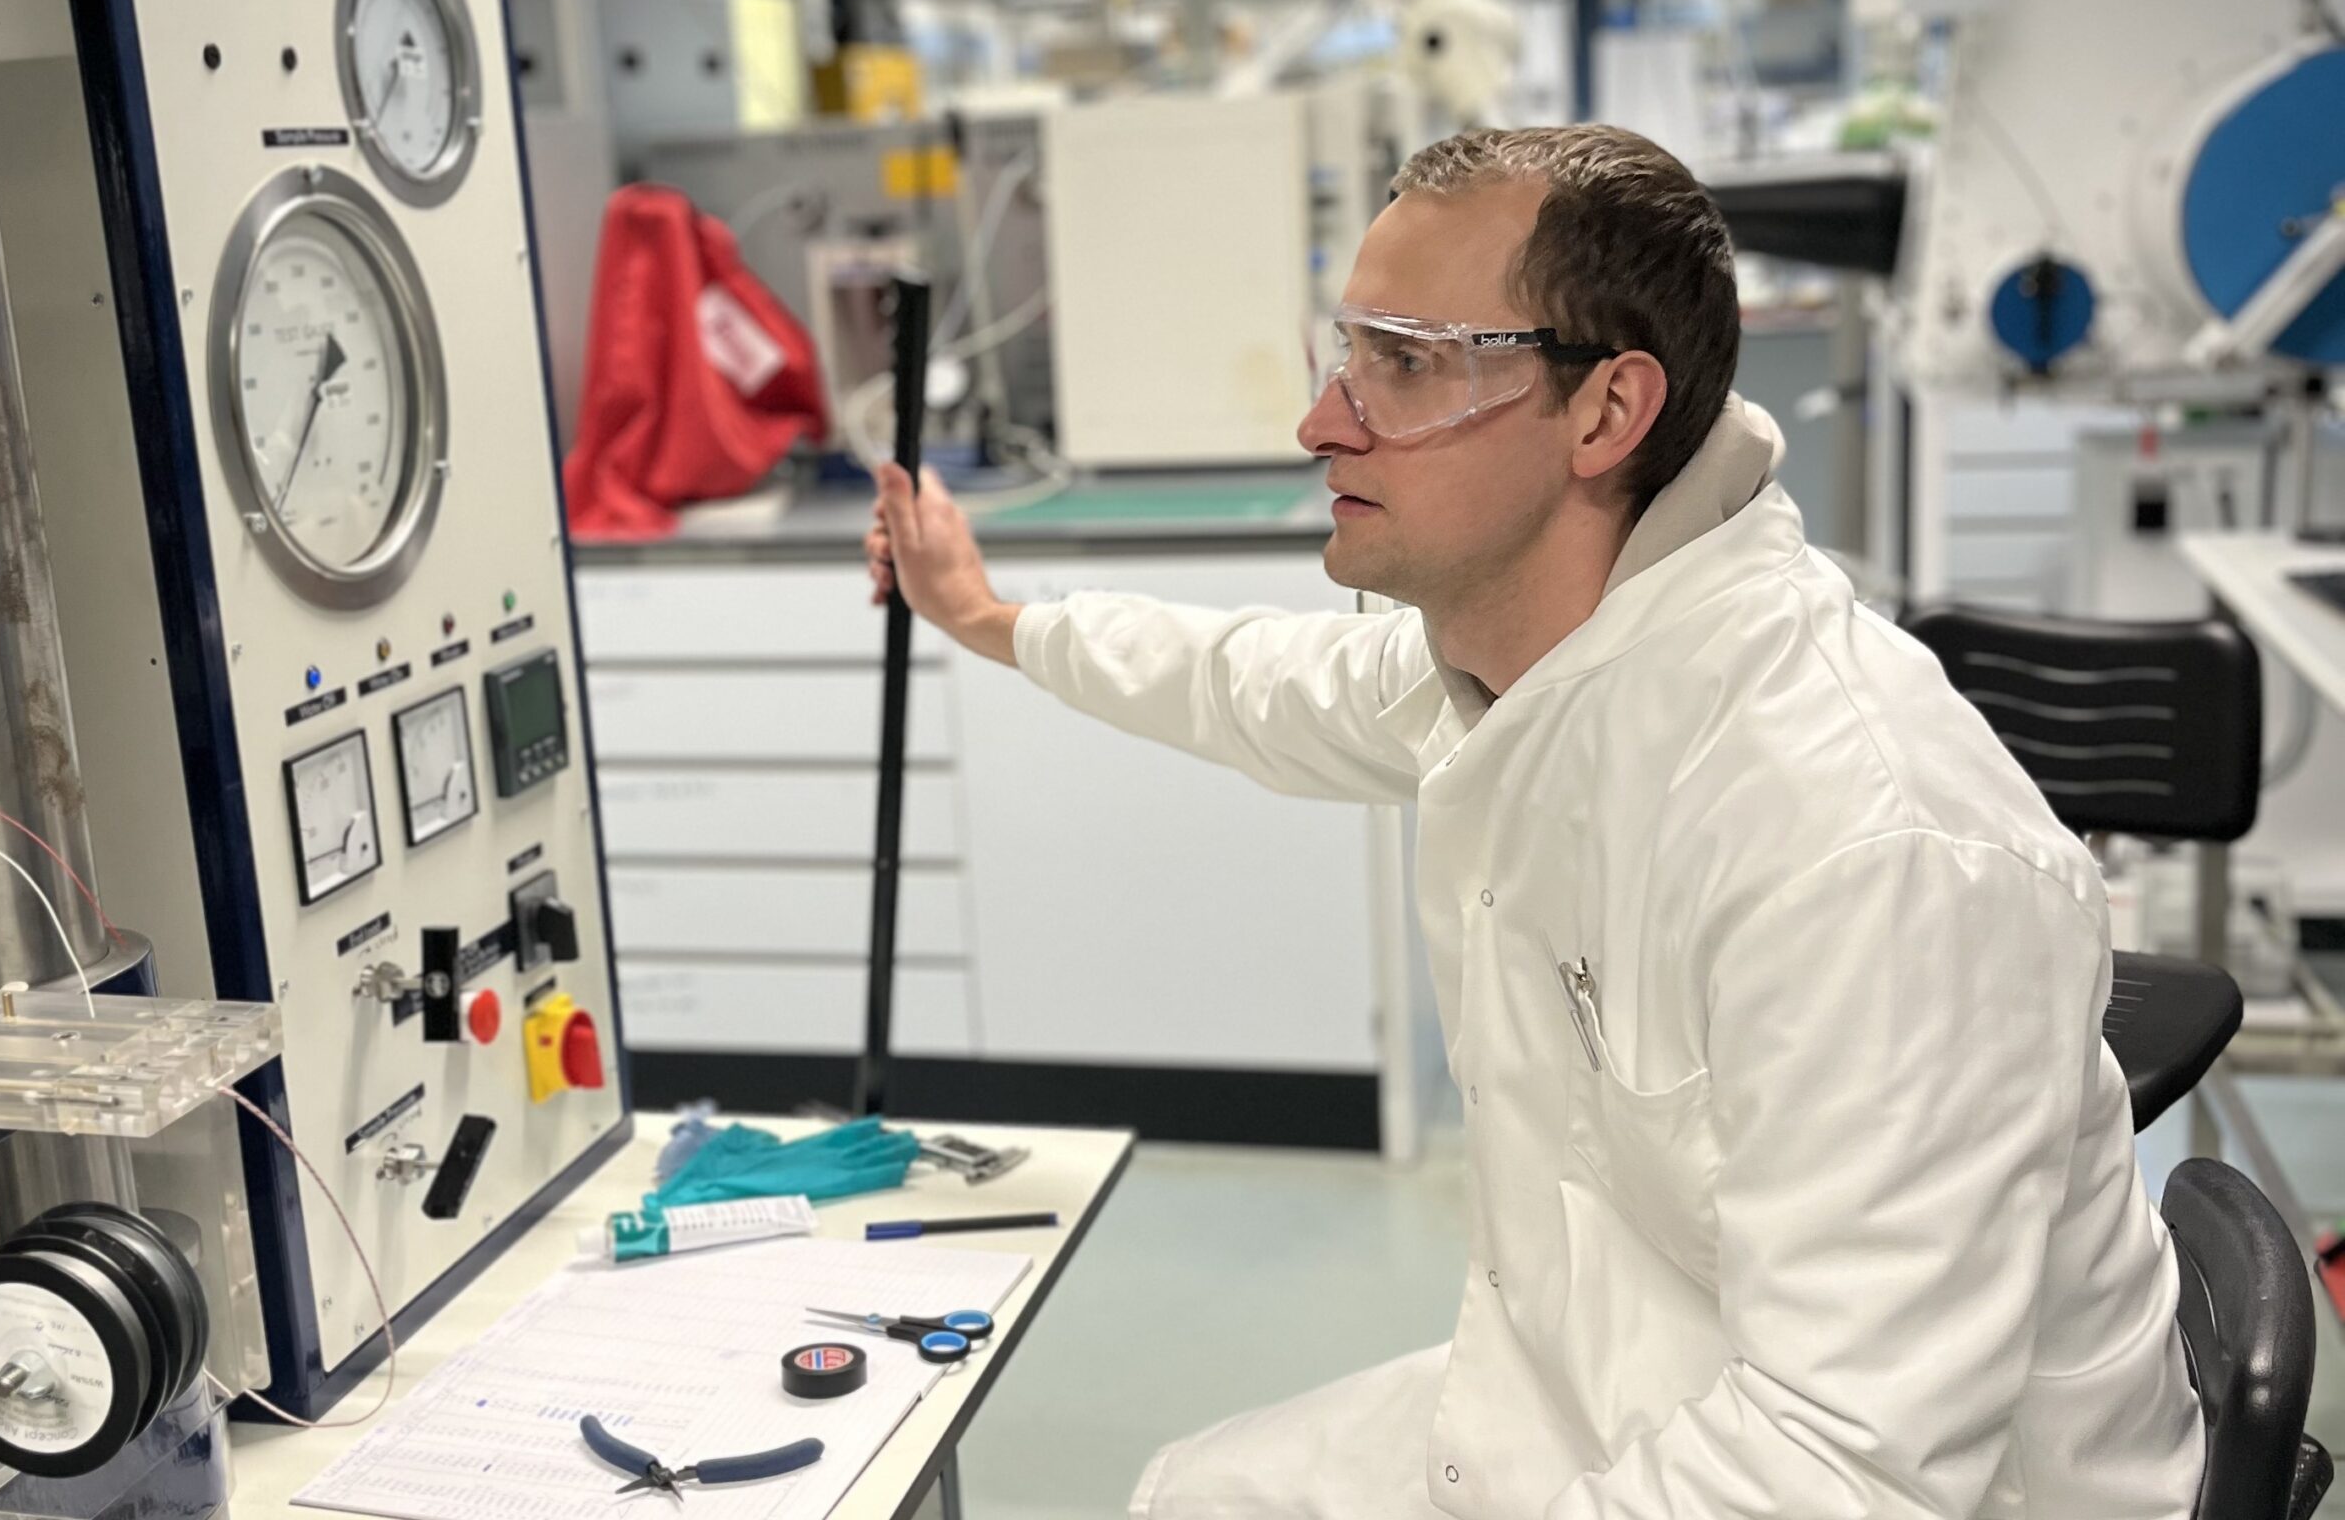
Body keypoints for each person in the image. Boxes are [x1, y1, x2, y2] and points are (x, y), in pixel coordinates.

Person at [865, 126, 2203, 1520]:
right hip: (1612, 1385)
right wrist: (990, 619)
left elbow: (1843, 1464)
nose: (1324, 421)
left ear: (1605, 414)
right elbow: (1251, 684)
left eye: (1406, 362)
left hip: (1908, 1487)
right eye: (1349, 354)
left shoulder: (1858, 841)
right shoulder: (1536, 668)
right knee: (1192, 1496)